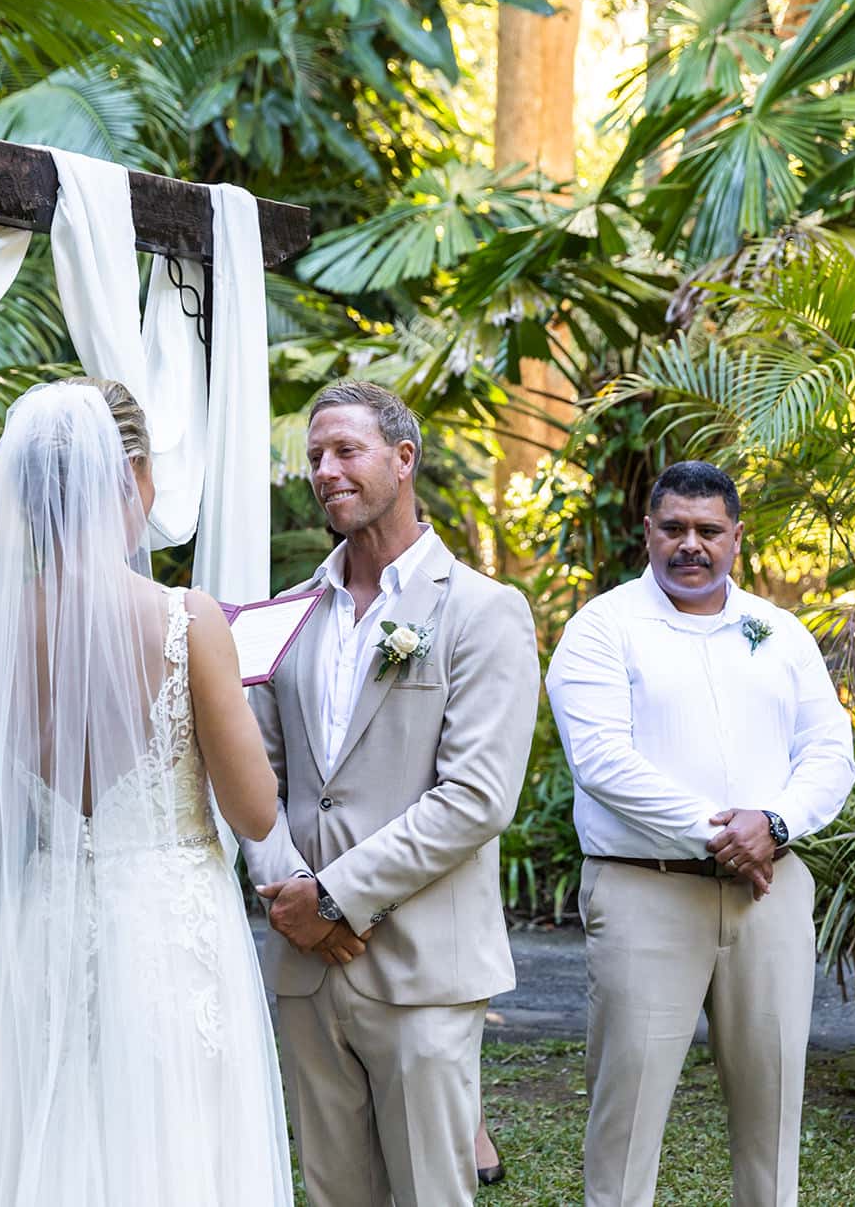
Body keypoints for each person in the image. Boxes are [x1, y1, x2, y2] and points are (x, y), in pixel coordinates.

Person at [0, 378, 292, 1206]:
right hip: (168, 934)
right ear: (133, 479)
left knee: (52, 1145)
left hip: (46, 932)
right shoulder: (188, 620)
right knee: (173, 1157)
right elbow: (255, 811)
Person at [241, 379, 539, 1207]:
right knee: (335, 1194)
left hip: (421, 966)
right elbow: (254, 776)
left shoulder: (484, 611)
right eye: (314, 457)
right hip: (305, 963)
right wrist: (290, 894)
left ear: (404, 460)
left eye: (346, 450)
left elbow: (477, 797)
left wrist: (334, 897)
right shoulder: (286, 612)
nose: (326, 470)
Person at [545, 460, 855, 1207]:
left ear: (736, 538)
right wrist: (726, 833)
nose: (692, 544)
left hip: (770, 896)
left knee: (773, 1107)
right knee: (629, 1108)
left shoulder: (779, 632)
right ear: (648, 532)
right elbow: (603, 761)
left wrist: (773, 824)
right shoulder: (602, 627)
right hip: (646, 890)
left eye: (708, 530)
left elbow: (830, 749)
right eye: (675, 528)